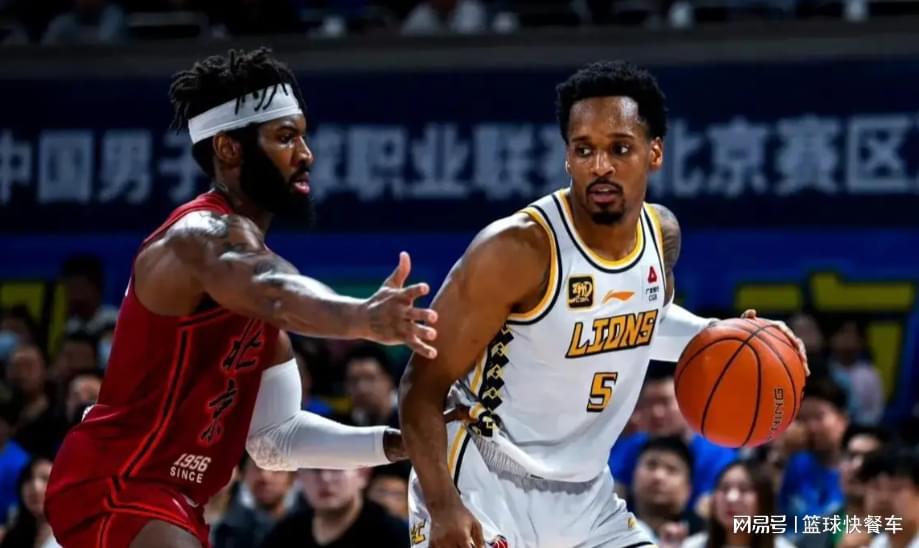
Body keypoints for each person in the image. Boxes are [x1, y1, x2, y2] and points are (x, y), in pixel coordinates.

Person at [399, 60, 807, 548]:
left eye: (619, 148)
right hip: (484, 482)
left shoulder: (660, 235)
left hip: (587, 494)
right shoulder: (516, 250)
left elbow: (640, 323)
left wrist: (729, 337)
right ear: (567, 158)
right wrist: (443, 504)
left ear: (655, 152)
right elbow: (420, 387)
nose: (600, 166)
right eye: (584, 149)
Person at [44, 47, 440, 548]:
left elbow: (276, 438)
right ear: (230, 149)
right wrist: (360, 317)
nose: (306, 154)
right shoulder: (198, 238)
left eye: (302, 136)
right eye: (285, 137)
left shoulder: (249, 281)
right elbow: (275, 290)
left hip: (174, 502)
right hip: (117, 483)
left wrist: (399, 444)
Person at [259, 467, 409, 548]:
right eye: (315, 469)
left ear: (362, 474)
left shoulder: (393, 536)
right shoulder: (286, 533)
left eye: (336, 468)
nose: (325, 478)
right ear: (299, 476)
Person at [683, 460, 796, 548]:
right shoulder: (693, 545)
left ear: (764, 499)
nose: (731, 498)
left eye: (744, 489)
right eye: (724, 488)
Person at [0, 457, 61, 548]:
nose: (35, 487)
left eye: (46, 478)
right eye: (28, 479)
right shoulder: (12, 537)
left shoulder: (74, 537)